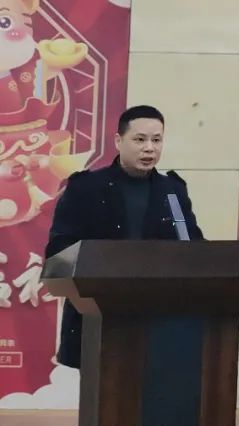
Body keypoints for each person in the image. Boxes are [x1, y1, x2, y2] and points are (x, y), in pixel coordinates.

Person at [44, 104, 204, 369]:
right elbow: (59, 250)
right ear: (119, 141)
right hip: (97, 319)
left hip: (159, 320)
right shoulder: (86, 187)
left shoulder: (172, 191)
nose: (149, 148)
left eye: (156, 140)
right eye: (140, 140)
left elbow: (191, 245)